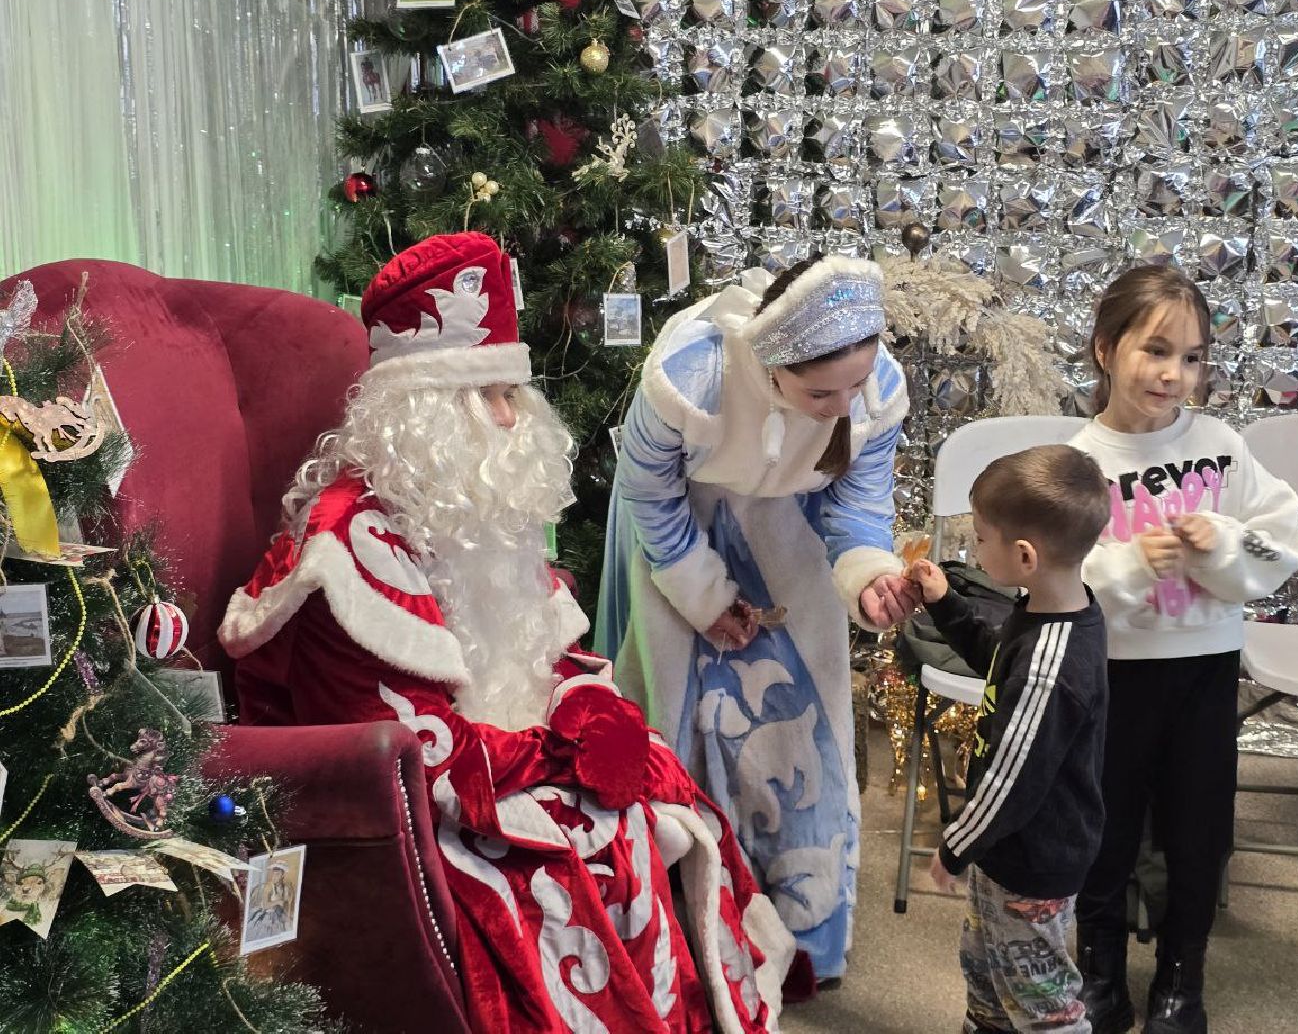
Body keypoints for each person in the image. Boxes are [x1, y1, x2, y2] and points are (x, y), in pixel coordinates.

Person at [219, 232, 794, 1033]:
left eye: (512, 393)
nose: (507, 419)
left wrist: (591, 709)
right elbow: (412, 748)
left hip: (516, 753)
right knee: (580, 861)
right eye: (484, 394)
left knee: (663, 789)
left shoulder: (474, 510)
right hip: (429, 806)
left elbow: (554, 648)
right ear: (414, 412)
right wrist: (568, 756)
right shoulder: (350, 544)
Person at [597, 254, 916, 981]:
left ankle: (801, 928)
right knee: (676, 714)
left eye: (855, 386)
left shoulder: (875, 391)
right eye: (820, 392)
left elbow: (859, 505)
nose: (842, 406)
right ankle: (681, 929)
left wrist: (869, 577)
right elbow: (649, 493)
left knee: (806, 724)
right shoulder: (692, 375)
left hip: (796, 528)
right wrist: (704, 598)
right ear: (770, 365)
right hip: (679, 529)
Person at [1067, 265, 1298, 1034]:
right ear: (1106, 348)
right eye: (1156, 350)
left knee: (1197, 829)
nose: (1174, 373)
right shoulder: (1078, 461)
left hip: (1204, 670)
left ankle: (1181, 974)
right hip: (1112, 674)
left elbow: (1281, 545)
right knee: (1104, 826)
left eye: (1193, 357)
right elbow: (1058, 583)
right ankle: (1099, 971)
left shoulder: (1221, 448)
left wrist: (1224, 541)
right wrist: (1133, 564)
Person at [909, 445, 1111, 1034]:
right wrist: (947, 605)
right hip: (1007, 851)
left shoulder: (1052, 664)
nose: (973, 550)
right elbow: (999, 663)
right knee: (988, 973)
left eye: (979, 538)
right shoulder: (1047, 611)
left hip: (1029, 860)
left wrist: (956, 845)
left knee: (1042, 1004)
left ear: (1024, 555)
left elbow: (1010, 779)